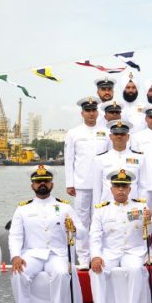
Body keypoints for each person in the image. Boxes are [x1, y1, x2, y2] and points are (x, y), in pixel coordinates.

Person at [9, 165, 86, 303]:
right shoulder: (22, 209)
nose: (42, 184)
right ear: (32, 186)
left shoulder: (64, 207)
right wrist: (15, 256)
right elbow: (15, 236)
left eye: (46, 181)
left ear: (51, 184)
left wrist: (73, 228)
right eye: (38, 182)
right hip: (32, 254)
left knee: (61, 273)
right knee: (18, 274)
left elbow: (82, 234)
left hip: (56, 254)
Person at [89, 169, 152, 303]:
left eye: (124, 186)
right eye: (117, 186)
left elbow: (151, 232)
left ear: (130, 189)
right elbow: (94, 236)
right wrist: (95, 256)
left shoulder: (140, 206)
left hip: (133, 251)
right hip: (110, 252)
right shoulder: (102, 209)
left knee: (135, 269)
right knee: (97, 271)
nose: (121, 190)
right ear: (111, 189)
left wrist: (150, 221)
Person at [65, 96, 109, 266]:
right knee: (82, 222)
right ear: (82, 113)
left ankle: (97, 254)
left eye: (93, 110)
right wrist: (70, 183)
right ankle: (83, 257)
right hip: (81, 183)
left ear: (98, 112)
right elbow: (69, 159)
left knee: (100, 219)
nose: (91, 113)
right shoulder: (74, 133)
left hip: (101, 184)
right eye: (88, 110)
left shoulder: (106, 132)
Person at [92, 120, 147, 204]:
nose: (119, 136)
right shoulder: (100, 159)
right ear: (110, 136)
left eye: (122, 134)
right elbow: (97, 188)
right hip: (108, 207)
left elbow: (143, 186)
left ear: (128, 137)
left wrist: (143, 206)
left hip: (132, 207)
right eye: (116, 134)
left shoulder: (139, 158)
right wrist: (97, 210)